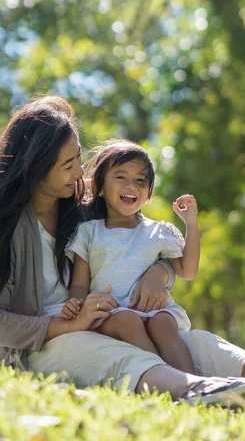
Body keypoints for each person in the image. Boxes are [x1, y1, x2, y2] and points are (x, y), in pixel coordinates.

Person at [0, 96, 245, 413]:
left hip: (109, 323)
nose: (81, 172)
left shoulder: (83, 212)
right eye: (69, 164)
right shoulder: (1, 229)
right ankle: (197, 391)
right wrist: (68, 324)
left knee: (192, 340)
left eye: (79, 160)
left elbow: (134, 240)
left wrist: (160, 271)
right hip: (45, 347)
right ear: (37, 166)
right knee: (120, 356)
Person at [61, 139, 197, 374]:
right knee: (128, 320)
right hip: (111, 314)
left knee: (163, 323)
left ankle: (194, 384)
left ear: (149, 193)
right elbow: (80, 282)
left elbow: (188, 271)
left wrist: (192, 225)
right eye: (121, 177)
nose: (131, 185)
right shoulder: (89, 232)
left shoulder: (159, 231)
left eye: (140, 180)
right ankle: (166, 378)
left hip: (154, 311)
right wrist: (76, 304)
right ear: (100, 187)